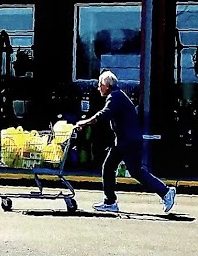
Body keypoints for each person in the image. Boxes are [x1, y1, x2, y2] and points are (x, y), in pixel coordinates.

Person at [74, 71, 178, 215]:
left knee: (135, 171)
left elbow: (105, 113)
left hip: (129, 141)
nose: (98, 88)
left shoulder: (115, 96)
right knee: (108, 167)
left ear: (106, 85)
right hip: (123, 140)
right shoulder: (117, 95)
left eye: (100, 85)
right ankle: (110, 202)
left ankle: (165, 192)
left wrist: (85, 122)